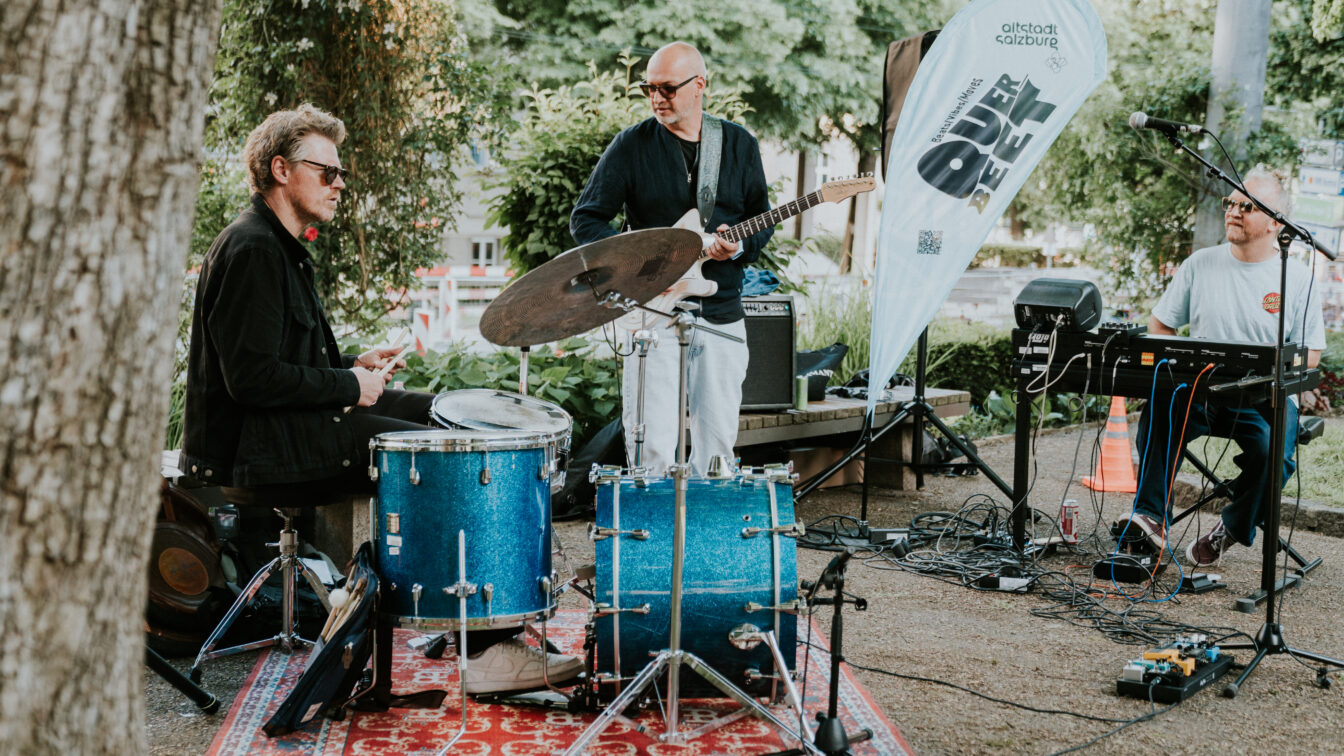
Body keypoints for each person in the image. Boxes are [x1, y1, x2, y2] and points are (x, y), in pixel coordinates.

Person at [180, 104, 579, 694]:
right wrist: (348, 387)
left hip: (286, 428)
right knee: (442, 456)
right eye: (328, 172)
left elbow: (278, 362)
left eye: (341, 174)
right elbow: (251, 379)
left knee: (445, 412)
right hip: (256, 449)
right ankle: (487, 647)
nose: (340, 184)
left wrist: (350, 367)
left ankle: (473, 615)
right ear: (282, 169)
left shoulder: (277, 246)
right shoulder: (253, 250)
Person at [570, 42, 774, 476]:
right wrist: (641, 268)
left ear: (700, 85)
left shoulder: (739, 145)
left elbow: (762, 222)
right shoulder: (631, 146)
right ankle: (652, 538)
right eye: (649, 88)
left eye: (667, 88)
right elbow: (586, 220)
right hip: (649, 312)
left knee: (718, 448)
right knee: (650, 447)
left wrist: (736, 246)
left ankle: (705, 538)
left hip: (720, 311)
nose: (656, 99)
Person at [1125, 167, 1325, 567]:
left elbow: (1312, 354)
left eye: (1246, 206)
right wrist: (1179, 357)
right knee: (1162, 402)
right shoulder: (1201, 263)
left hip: (1259, 397)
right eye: (1230, 203)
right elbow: (1160, 324)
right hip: (1199, 392)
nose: (1233, 211)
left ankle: (1230, 528)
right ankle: (1149, 518)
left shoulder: (1297, 277)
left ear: (1275, 223)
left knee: (1276, 452)